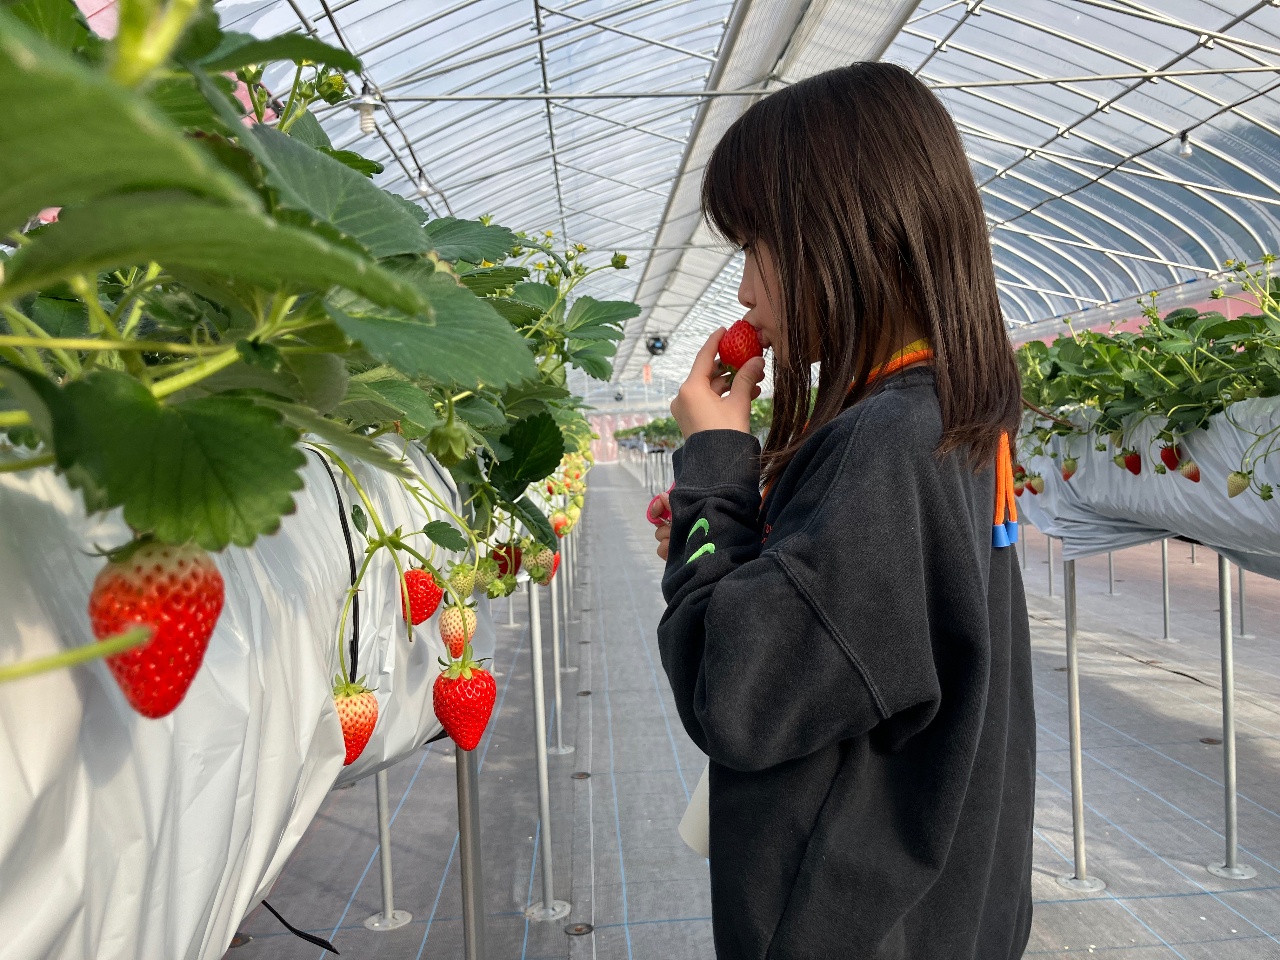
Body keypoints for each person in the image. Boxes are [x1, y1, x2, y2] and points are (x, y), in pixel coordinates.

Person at [651, 62, 1034, 960]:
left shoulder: (887, 443)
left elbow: (735, 693)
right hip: (947, 912)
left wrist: (714, 474)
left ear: (841, 233)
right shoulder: (951, 413)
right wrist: (730, 535)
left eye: (756, 247)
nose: (744, 292)